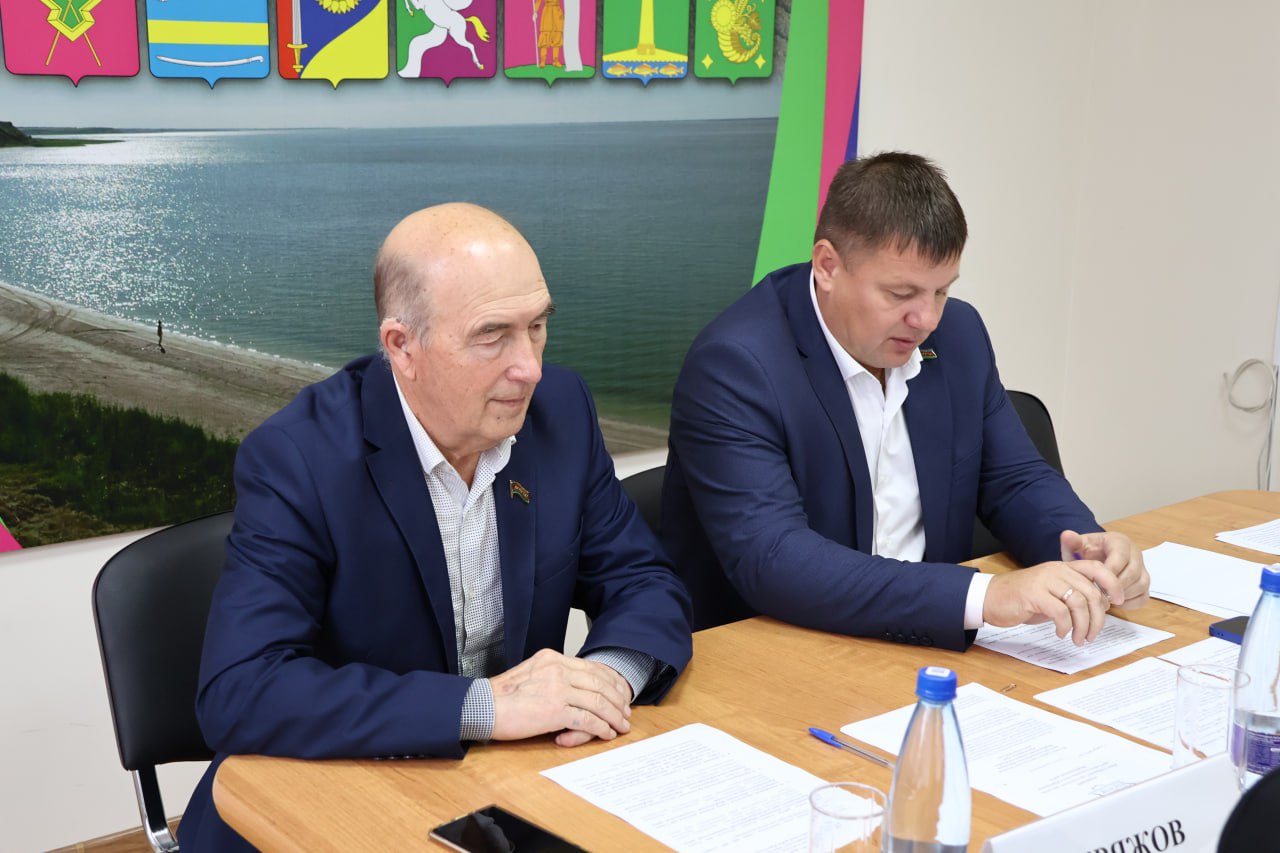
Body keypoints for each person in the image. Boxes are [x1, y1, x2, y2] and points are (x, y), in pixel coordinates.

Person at [179, 203, 693, 850]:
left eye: (537, 327)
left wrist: (606, 682)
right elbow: (240, 689)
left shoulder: (560, 411)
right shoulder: (299, 458)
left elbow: (644, 581)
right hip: (326, 804)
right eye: (492, 335)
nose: (530, 367)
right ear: (403, 346)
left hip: (499, 797)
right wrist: (485, 708)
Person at [662, 152, 1149, 652]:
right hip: (779, 649)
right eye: (901, 293)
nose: (927, 319)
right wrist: (984, 596)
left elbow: (1014, 478)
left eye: (941, 291)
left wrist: (1085, 548)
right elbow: (775, 558)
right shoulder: (736, 365)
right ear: (828, 265)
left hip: (925, 639)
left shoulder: (959, 334)